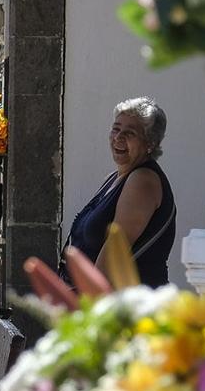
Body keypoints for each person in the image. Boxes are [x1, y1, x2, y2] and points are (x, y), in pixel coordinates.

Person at [62, 96, 177, 286]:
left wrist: (88, 306)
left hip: (128, 306)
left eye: (130, 133)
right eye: (116, 129)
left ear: (151, 143)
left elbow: (115, 251)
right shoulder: (115, 178)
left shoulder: (143, 181)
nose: (118, 137)